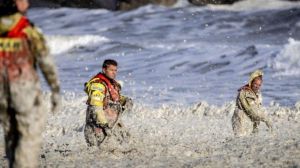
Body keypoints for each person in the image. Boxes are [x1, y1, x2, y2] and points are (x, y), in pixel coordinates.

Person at [0, 0, 60, 167]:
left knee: (10, 133)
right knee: (28, 135)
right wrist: (55, 89)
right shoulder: (27, 28)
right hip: (23, 88)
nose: (28, 3)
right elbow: (45, 60)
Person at [84, 59, 132, 147]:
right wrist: (105, 126)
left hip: (111, 125)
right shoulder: (98, 85)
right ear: (104, 70)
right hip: (97, 128)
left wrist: (125, 100)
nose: (114, 73)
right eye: (111, 70)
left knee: (127, 138)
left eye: (115, 70)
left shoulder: (111, 84)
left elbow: (114, 98)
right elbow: (96, 108)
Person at [232, 70, 273, 136]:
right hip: (240, 121)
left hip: (247, 122)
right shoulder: (246, 93)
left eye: (259, 85)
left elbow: (257, 109)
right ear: (251, 82)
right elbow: (252, 111)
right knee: (241, 141)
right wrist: (266, 120)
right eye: (255, 84)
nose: (257, 86)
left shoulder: (255, 93)